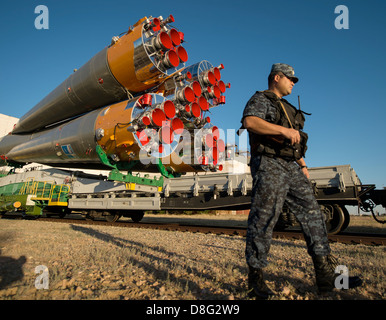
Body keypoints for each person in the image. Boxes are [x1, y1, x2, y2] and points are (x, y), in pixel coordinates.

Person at [240, 63, 362, 299]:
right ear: (276, 78)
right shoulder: (261, 99)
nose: (293, 83)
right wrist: (284, 131)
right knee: (264, 218)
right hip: (268, 164)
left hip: (290, 166)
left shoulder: (287, 108)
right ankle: (256, 281)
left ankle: (326, 276)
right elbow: (250, 122)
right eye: (290, 79)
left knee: (313, 214)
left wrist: (303, 165)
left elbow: (292, 143)